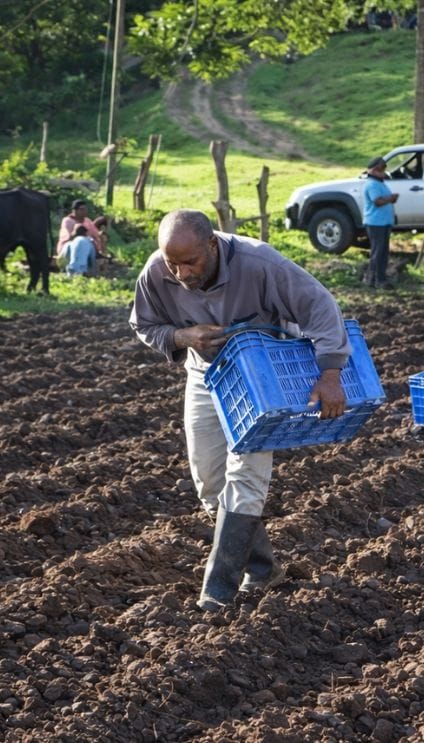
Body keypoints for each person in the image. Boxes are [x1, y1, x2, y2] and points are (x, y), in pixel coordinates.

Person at [129, 209, 349, 612]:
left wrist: (330, 372)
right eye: (172, 263)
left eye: (189, 262)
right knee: (210, 484)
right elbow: (144, 324)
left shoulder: (259, 263)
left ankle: (218, 591)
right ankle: (264, 570)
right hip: (206, 375)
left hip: (261, 374)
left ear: (212, 244)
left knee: (245, 474)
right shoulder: (157, 270)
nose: (180, 273)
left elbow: (320, 306)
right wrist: (182, 335)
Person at [362, 156, 398, 288]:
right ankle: (377, 279)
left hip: (383, 222)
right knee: (378, 252)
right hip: (375, 223)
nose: (383, 172)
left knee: (382, 252)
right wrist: (391, 198)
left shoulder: (380, 183)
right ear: (374, 171)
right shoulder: (372, 184)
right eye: (381, 170)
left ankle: (375, 279)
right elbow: (377, 201)